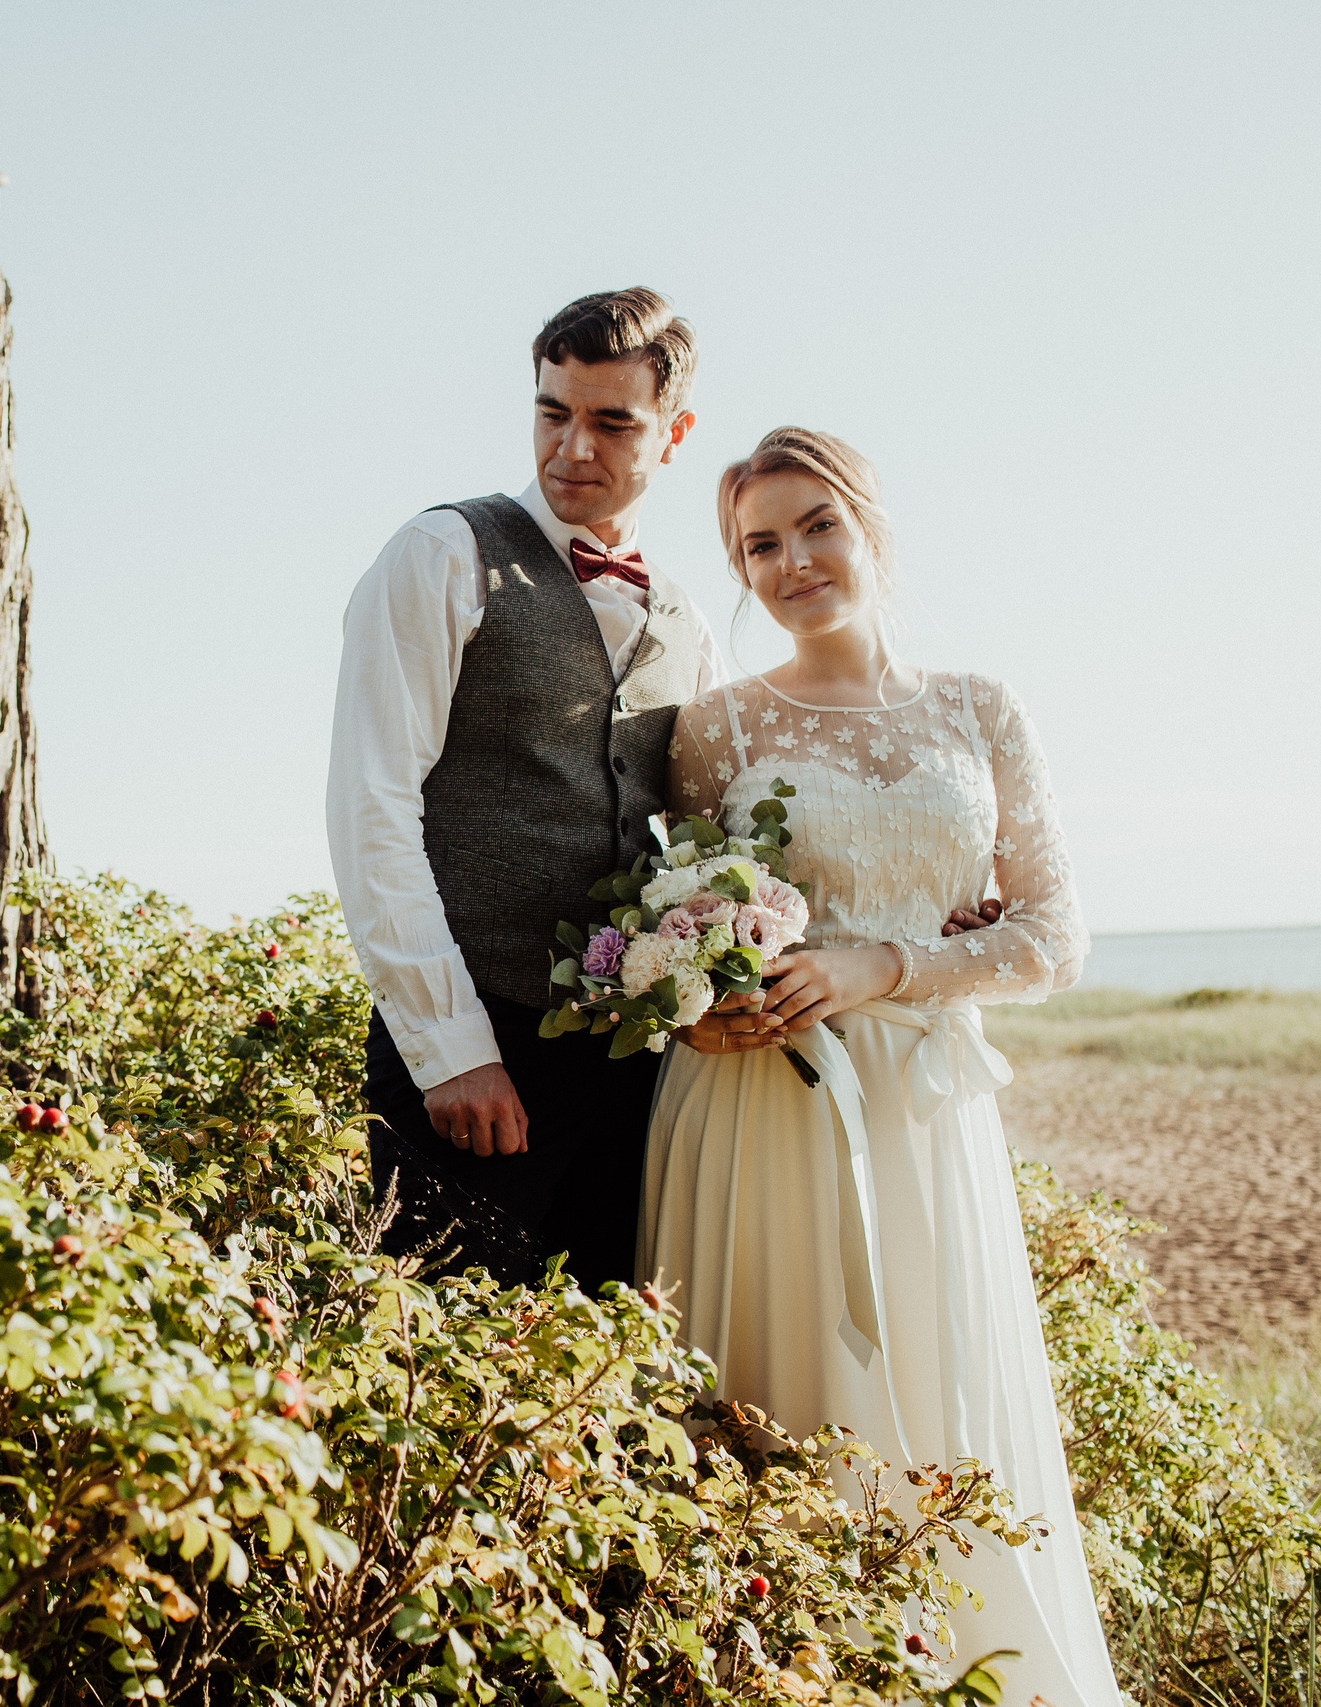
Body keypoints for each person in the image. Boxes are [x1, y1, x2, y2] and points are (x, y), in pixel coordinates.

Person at [644, 427, 1118, 1704]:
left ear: (869, 529)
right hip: (760, 1110)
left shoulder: (981, 708)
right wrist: (705, 1004)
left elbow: (1052, 938)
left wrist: (885, 968)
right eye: (759, 545)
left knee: (940, 1394)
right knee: (784, 1406)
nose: (792, 561)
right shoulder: (714, 730)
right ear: (739, 573)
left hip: (926, 1115)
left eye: (815, 527)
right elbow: (671, 932)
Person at [324, 288, 725, 1289]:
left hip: (634, 1071)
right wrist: (448, 1047)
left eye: (610, 423)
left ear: (672, 434)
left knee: (599, 1374)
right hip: (475, 1038)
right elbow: (372, 802)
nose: (571, 448)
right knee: (439, 1364)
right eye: (553, 412)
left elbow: (706, 834)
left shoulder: (687, 618)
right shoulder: (441, 554)